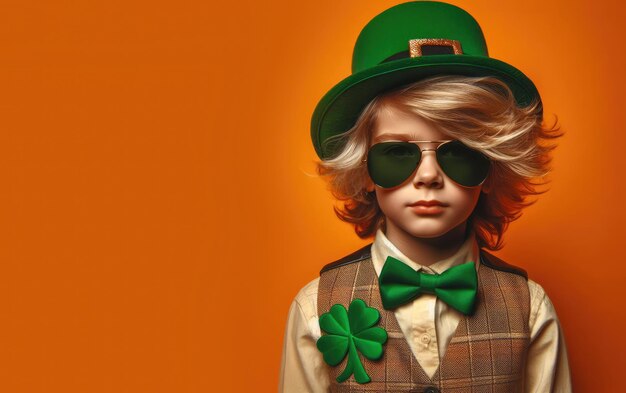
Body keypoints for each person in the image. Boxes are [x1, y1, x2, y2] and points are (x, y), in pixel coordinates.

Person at [279, 2, 571, 392]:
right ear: (363, 170)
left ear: (491, 169)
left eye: (459, 153)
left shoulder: (530, 309)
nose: (429, 176)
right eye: (397, 153)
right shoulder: (315, 307)